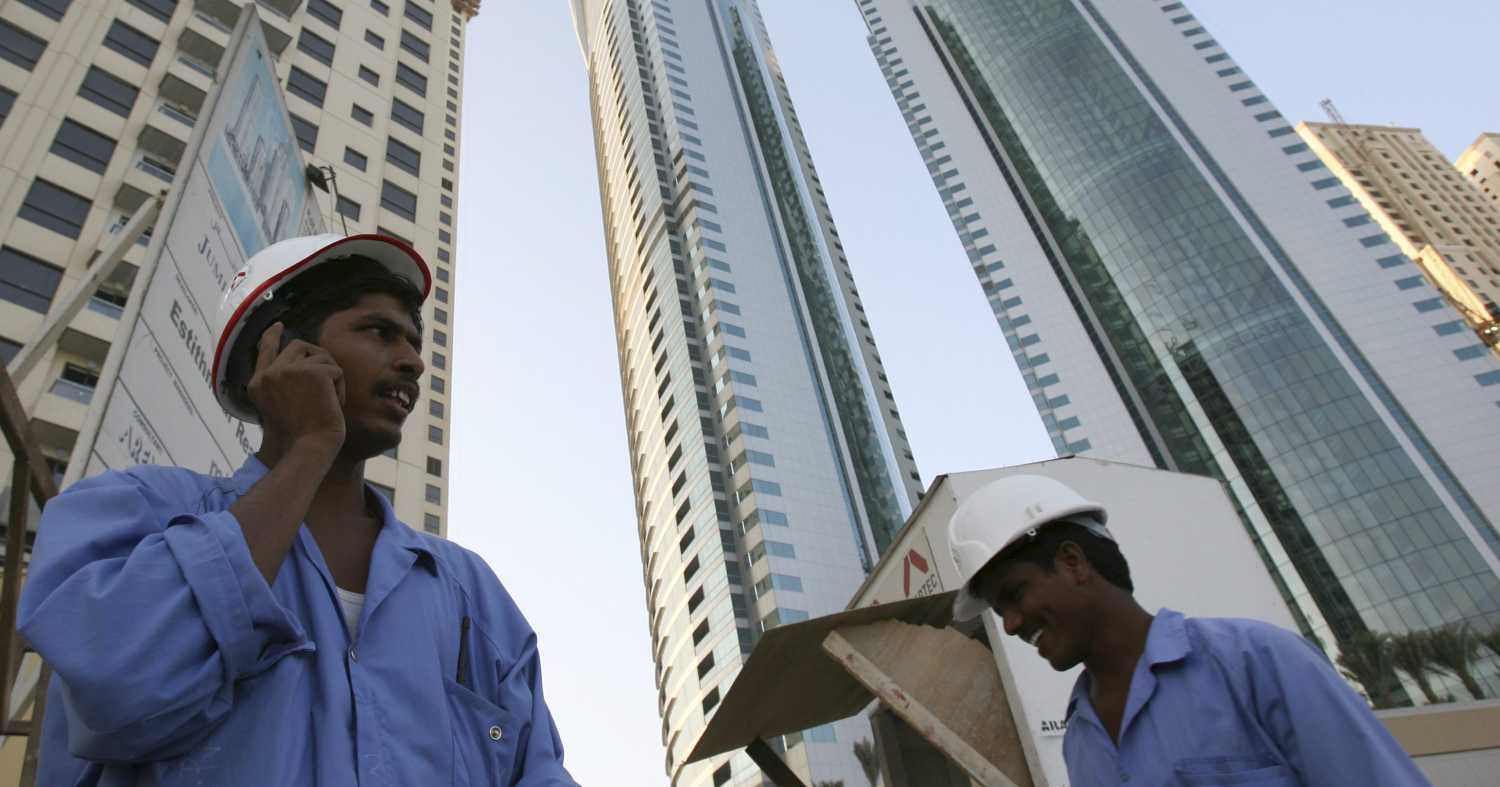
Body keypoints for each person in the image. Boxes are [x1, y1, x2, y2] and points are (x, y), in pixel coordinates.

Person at [19, 234, 578, 786]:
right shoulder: (131, 512)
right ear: (282, 350)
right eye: (379, 331)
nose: (413, 362)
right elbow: (124, 687)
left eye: (414, 342)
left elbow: (540, 773)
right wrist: (310, 446)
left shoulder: (471, 593)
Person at [947, 474, 1430, 786]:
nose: (1009, 624)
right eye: (998, 610)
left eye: (1015, 594)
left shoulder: (1257, 661)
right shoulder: (1081, 739)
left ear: (1073, 562)